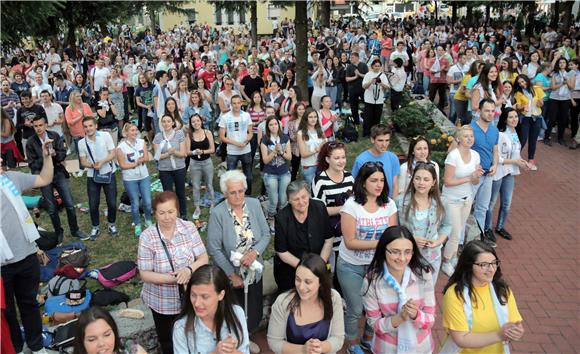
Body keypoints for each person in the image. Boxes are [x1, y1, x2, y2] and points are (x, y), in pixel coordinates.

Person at [207, 170, 271, 353]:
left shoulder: (254, 204)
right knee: (233, 310)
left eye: (241, 191)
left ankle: (247, 337)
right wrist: (231, 274)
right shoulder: (218, 213)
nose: (238, 196)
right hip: (231, 274)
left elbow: (266, 234)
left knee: (254, 310)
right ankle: (233, 343)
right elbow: (214, 248)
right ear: (225, 193)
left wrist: (255, 252)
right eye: (232, 192)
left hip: (254, 269)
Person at [337, 162, 398, 354]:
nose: (379, 185)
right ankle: (352, 342)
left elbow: (393, 235)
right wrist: (382, 243)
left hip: (378, 266)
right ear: (363, 183)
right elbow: (350, 242)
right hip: (351, 266)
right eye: (373, 180)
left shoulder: (389, 204)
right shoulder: (351, 205)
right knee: (356, 309)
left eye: (381, 180)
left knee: (377, 307)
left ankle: (369, 337)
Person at [138, 191, 209, 354]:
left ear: (177, 210)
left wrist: (189, 270)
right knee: (168, 341)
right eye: (161, 213)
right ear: (155, 213)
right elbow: (145, 274)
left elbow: (203, 257)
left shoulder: (189, 227)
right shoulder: (147, 237)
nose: (167, 217)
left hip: (190, 297)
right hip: (162, 302)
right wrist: (173, 278)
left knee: (193, 335)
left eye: (171, 212)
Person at [1, 136, 53, 354]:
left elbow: (44, 179)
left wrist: (47, 157)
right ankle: (15, 348)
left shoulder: (11, 179)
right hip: (3, 265)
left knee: (29, 303)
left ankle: (36, 346)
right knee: (8, 312)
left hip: (27, 255)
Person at [361, 225, 435, 354]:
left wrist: (416, 315)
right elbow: (374, 325)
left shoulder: (424, 274)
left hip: (421, 347)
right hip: (387, 348)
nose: (402, 258)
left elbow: (430, 321)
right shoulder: (371, 280)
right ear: (384, 250)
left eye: (407, 252)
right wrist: (400, 318)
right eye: (395, 251)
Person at [442, 240, 524, 353]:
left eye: (494, 262)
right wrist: (499, 335)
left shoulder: (502, 289)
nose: (491, 269)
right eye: (484, 265)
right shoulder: (455, 294)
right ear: (468, 266)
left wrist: (516, 331)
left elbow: (515, 324)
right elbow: (461, 338)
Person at [27, 115, 88, 242]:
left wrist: (55, 154)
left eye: (40, 125)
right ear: (33, 127)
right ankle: (58, 232)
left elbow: (63, 154)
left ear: (45, 125)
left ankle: (75, 230)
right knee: (51, 208)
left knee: (70, 204)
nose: (38, 128)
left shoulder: (54, 136)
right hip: (44, 177)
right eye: (35, 126)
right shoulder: (31, 142)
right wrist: (45, 157)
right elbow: (32, 165)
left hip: (58, 173)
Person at [267, 254, 345, 354]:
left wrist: (320, 348)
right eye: (298, 279)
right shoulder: (283, 302)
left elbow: (338, 338)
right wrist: (303, 350)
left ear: (320, 282)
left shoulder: (333, 298)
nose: (301, 287)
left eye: (308, 282)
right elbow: (274, 342)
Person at [173, 264, 250, 354]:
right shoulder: (181, 328)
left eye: (204, 297)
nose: (197, 303)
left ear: (221, 295)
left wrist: (231, 351)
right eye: (193, 295)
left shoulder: (237, 313)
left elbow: (245, 351)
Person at [274, 181, 333, 293]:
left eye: (304, 197)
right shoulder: (282, 218)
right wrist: (304, 269)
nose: (301, 202)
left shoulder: (319, 208)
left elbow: (328, 240)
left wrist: (318, 265)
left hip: (319, 265)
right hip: (291, 269)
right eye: (296, 199)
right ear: (289, 200)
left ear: (309, 195)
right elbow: (282, 252)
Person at [396, 163, 451, 282]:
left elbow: (447, 225)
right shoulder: (400, 201)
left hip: (432, 257)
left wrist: (438, 241)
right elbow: (395, 228)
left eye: (426, 179)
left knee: (428, 292)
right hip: (406, 258)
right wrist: (410, 238)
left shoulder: (442, 202)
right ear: (412, 180)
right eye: (417, 178)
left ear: (434, 182)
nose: (421, 183)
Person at [441, 125, 483, 276]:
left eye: (471, 136)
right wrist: (469, 178)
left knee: (459, 231)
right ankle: (446, 262)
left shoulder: (476, 155)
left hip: (467, 198)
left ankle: (452, 258)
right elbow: (447, 181)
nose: (469, 139)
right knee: (455, 232)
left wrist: (477, 176)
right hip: (451, 199)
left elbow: (475, 182)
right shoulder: (453, 156)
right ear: (459, 138)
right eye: (465, 136)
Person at [486, 108, 530, 242]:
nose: (514, 119)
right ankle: (487, 229)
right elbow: (497, 158)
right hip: (498, 173)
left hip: (509, 173)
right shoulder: (500, 135)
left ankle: (500, 227)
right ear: (505, 119)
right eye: (511, 117)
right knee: (491, 203)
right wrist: (515, 161)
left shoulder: (515, 133)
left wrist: (522, 162)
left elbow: (515, 153)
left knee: (507, 204)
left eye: (516, 116)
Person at [312, 141, 354, 276]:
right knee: (330, 270)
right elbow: (318, 210)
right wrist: (344, 208)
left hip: (347, 232)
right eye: (336, 158)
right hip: (329, 234)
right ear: (327, 159)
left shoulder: (349, 177)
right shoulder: (320, 180)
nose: (341, 161)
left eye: (343, 157)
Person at [78, 116, 118, 239]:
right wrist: (91, 165)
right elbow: (83, 161)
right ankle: (95, 227)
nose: (88, 128)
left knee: (112, 203)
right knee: (93, 204)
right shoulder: (81, 143)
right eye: (86, 126)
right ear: (83, 128)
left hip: (109, 173)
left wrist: (103, 162)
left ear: (96, 126)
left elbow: (113, 153)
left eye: (90, 125)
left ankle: (111, 224)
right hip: (92, 176)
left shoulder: (105, 136)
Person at [470, 99, 500, 247]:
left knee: (482, 207)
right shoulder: (470, 129)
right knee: (467, 206)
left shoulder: (494, 130)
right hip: (473, 176)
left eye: (492, 111)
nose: (490, 114)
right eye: (487, 110)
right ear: (479, 111)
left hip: (488, 175)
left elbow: (495, 150)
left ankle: (478, 237)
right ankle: (463, 240)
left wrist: (495, 165)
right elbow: (459, 150)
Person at [116, 122, 152, 237]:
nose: (135, 132)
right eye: (132, 130)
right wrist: (135, 163)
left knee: (147, 201)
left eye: (136, 130)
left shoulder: (141, 142)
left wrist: (142, 160)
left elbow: (146, 157)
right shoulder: (121, 147)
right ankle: (137, 224)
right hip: (130, 178)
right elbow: (122, 165)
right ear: (126, 133)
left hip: (144, 176)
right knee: (135, 203)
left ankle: (148, 220)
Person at [153, 114, 188, 220]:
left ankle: (183, 213)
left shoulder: (179, 134)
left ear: (173, 123)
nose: (166, 123)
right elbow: (157, 156)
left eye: (168, 121)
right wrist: (168, 153)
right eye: (164, 121)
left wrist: (175, 152)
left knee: (180, 191)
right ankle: (171, 213)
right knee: (168, 193)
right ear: (161, 124)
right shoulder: (158, 137)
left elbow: (184, 153)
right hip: (165, 170)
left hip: (179, 168)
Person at [352, 124, 400, 198]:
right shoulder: (361, 160)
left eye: (387, 140)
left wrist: (393, 204)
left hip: (388, 201)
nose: (384, 144)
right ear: (372, 140)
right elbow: (357, 185)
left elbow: (395, 185)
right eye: (380, 140)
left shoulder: (393, 158)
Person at [219, 95, 254, 195]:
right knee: (231, 176)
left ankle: (248, 195)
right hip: (232, 151)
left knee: (248, 176)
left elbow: (250, 132)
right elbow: (222, 137)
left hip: (246, 150)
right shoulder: (225, 117)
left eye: (238, 103)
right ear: (231, 104)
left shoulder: (246, 115)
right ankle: (232, 194)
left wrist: (247, 141)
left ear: (241, 104)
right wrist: (236, 143)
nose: (236, 105)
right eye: (234, 103)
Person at [73, 306, 146, 354]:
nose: (101, 344)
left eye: (107, 335)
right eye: (92, 339)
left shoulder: (130, 349)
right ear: (81, 341)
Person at [261, 116, 292, 220]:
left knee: (283, 200)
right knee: (273, 200)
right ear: (267, 127)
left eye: (275, 124)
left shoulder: (285, 138)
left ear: (279, 125)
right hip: (270, 174)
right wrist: (274, 151)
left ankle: (282, 219)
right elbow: (265, 160)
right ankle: (271, 217)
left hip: (284, 173)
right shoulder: (265, 139)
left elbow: (289, 157)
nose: (273, 126)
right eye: (271, 125)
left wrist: (281, 152)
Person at [186, 113, 215, 220]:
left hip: (207, 161)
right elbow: (187, 152)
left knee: (209, 184)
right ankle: (197, 207)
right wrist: (194, 152)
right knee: (196, 186)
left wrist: (202, 151)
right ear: (191, 123)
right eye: (193, 121)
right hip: (194, 163)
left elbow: (212, 150)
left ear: (201, 121)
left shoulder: (208, 133)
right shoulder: (189, 135)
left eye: (197, 120)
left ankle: (212, 204)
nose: (196, 123)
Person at [513, 74, 545, 171]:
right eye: (519, 83)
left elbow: (541, 103)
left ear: (527, 80)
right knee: (523, 139)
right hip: (525, 118)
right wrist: (522, 107)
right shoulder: (518, 93)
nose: (522, 84)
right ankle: (515, 158)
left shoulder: (537, 89)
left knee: (533, 140)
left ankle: (531, 160)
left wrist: (540, 103)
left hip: (537, 117)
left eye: (523, 81)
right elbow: (518, 106)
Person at [544, 57, 574, 146]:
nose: (562, 64)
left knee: (563, 119)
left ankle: (560, 138)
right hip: (554, 98)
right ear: (558, 64)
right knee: (552, 118)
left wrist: (566, 81)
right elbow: (552, 87)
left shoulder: (570, 73)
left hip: (565, 99)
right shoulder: (554, 73)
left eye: (564, 62)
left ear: (566, 64)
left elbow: (571, 87)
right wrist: (562, 83)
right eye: (560, 62)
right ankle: (546, 137)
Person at [65, 91, 95, 177]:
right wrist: (80, 116)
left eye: (80, 96)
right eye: (77, 96)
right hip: (77, 134)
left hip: (88, 132)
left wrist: (86, 115)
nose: (79, 97)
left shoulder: (85, 105)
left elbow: (92, 117)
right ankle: (81, 168)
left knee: (91, 150)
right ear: (72, 98)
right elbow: (69, 122)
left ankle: (92, 166)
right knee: (80, 153)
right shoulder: (69, 109)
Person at [297, 108, 326, 185]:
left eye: (315, 117)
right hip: (309, 166)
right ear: (305, 118)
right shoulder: (301, 133)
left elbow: (325, 145)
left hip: (321, 164)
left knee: (321, 189)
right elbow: (303, 154)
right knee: (311, 190)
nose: (313, 119)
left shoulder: (320, 130)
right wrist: (317, 149)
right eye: (310, 117)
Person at [361, 59, 390, 137]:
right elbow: (364, 86)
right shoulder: (368, 75)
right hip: (369, 99)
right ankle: (366, 133)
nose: (377, 68)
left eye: (378, 66)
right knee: (368, 117)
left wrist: (381, 83)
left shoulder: (383, 75)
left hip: (379, 100)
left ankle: (375, 133)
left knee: (377, 117)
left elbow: (388, 87)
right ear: (372, 66)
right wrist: (371, 82)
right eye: (375, 66)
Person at [16, 90, 46, 158]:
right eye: (22, 99)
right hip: (26, 138)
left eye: (26, 98)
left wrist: (36, 125)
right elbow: (17, 126)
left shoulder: (39, 108)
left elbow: (45, 121)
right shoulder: (20, 110)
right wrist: (25, 124)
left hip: (39, 137)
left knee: (43, 157)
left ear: (30, 98)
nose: (24, 101)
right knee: (31, 159)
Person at [345, 53, 368, 126]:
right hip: (352, 89)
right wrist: (355, 76)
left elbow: (367, 76)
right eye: (350, 57)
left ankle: (366, 118)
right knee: (353, 106)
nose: (351, 59)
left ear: (357, 58)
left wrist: (359, 74)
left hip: (363, 89)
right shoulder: (349, 66)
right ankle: (356, 121)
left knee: (367, 104)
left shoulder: (363, 65)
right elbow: (347, 79)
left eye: (352, 57)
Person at [288, 102, 306, 181]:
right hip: (295, 149)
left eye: (303, 109)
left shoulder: (308, 121)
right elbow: (292, 137)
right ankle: (293, 185)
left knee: (305, 170)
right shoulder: (291, 122)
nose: (302, 111)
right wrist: (300, 133)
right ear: (296, 110)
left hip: (306, 148)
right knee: (294, 170)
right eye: (299, 109)